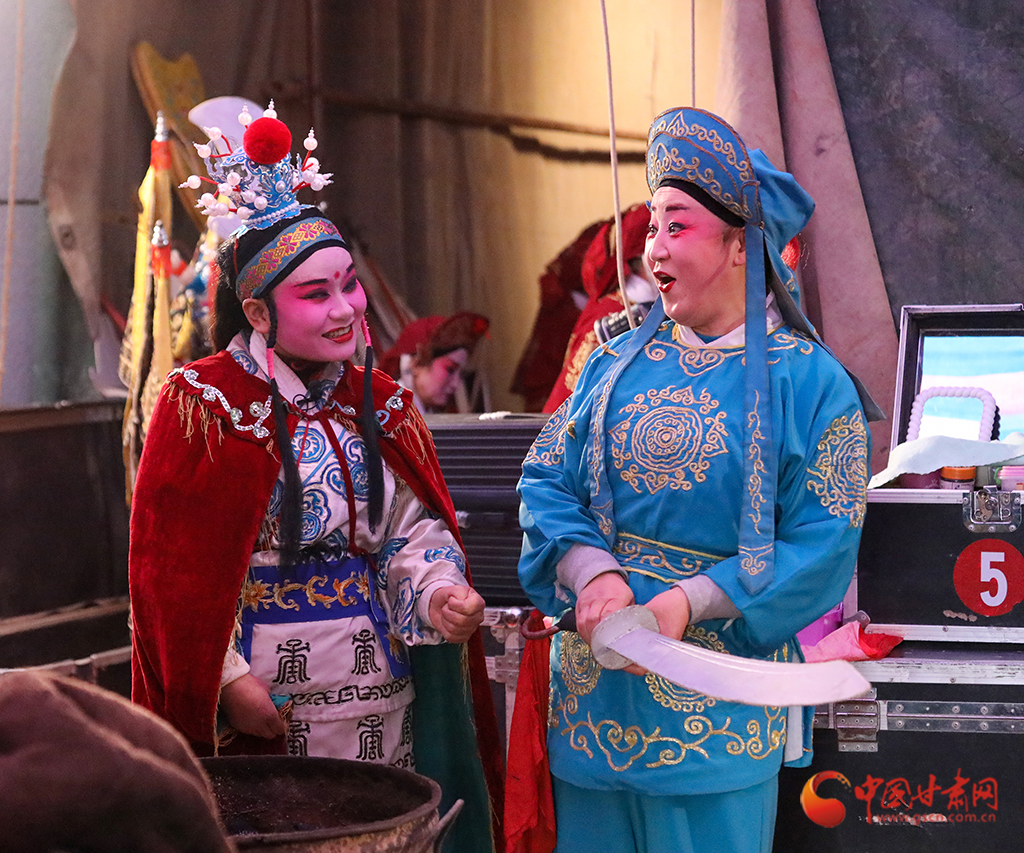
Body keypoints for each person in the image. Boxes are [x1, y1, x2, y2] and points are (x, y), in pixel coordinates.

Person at [128, 106, 500, 853]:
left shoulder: (384, 402)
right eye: (315, 295)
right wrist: (228, 682)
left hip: (378, 685)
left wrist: (439, 592)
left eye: (348, 286)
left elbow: (409, 533)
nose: (344, 310)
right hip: (266, 692)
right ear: (258, 311)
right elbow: (169, 579)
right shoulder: (204, 404)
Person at [509, 107, 877, 853]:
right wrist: (592, 573)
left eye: (677, 227)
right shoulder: (612, 363)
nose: (654, 250)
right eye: (652, 229)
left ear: (742, 245)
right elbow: (546, 479)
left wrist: (688, 601)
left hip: (717, 703)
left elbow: (822, 544)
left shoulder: (811, 383)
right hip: (595, 696)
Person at [379, 311, 490, 413]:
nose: (456, 383)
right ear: (416, 364)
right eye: (450, 370)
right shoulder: (387, 417)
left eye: (461, 374)